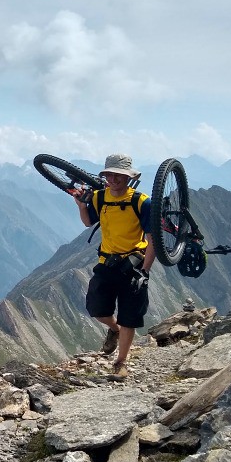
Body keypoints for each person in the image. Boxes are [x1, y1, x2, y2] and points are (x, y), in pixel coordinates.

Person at [72, 153, 155, 379]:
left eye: (120, 175)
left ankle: (120, 363)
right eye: (110, 174)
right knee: (96, 308)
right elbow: (89, 222)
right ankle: (114, 329)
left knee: (130, 315)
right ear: (106, 175)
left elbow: (152, 239)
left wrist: (145, 271)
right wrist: (81, 206)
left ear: (129, 177)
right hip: (106, 263)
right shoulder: (99, 197)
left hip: (133, 264)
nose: (114, 179)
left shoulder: (141, 201)